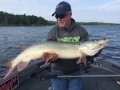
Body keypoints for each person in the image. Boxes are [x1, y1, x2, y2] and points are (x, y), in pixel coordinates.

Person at [19, 1, 101, 90]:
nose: (59, 19)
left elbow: (87, 52)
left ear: (70, 14)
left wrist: (97, 50)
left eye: (61, 15)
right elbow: (49, 57)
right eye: (57, 16)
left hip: (76, 72)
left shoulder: (81, 31)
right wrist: (51, 59)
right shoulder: (52, 32)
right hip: (57, 72)